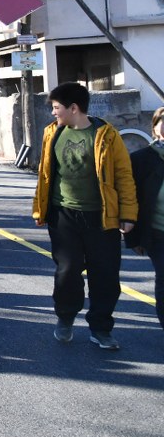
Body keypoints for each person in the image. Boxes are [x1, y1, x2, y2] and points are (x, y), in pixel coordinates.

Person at [32, 82, 137, 350]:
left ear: (74, 108)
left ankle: (101, 328)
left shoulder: (107, 135)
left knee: (105, 275)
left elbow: (124, 176)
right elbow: (45, 175)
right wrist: (40, 209)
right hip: (63, 214)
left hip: (102, 217)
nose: (54, 113)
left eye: (57, 108)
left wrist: (128, 214)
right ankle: (65, 318)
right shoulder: (51, 133)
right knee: (67, 272)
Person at [128, 107, 164, 332]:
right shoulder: (142, 159)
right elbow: (131, 197)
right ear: (155, 127)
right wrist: (134, 235)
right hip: (159, 232)